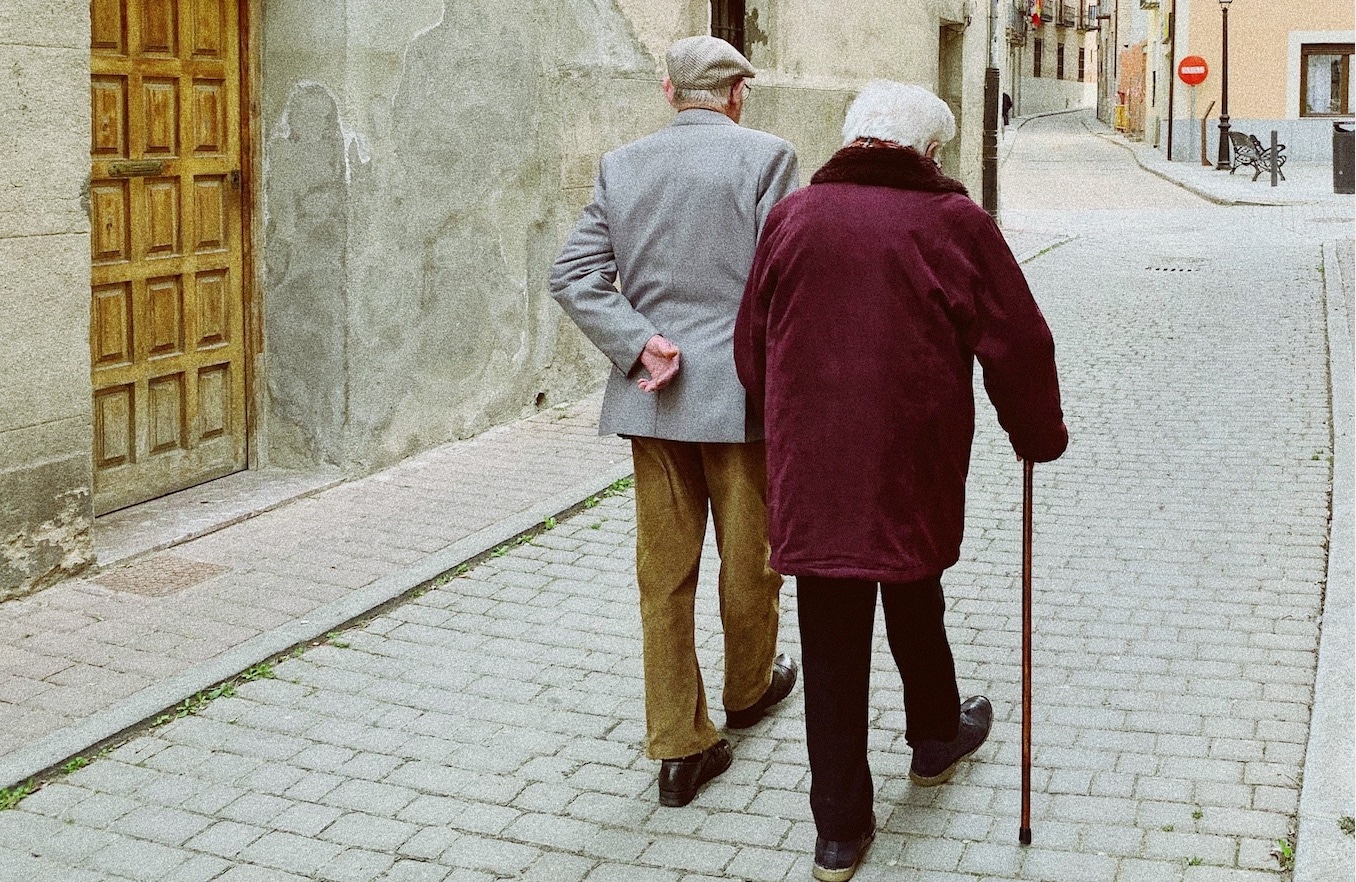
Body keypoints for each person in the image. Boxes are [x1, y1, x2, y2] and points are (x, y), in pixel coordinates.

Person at [734, 80, 1068, 881]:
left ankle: (840, 833)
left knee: (830, 630)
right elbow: (1019, 343)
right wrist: (1038, 435)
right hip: (911, 454)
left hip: (814, 465)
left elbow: (752, 347)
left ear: (853, 140)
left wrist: (788, 414)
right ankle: (933, 738)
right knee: (915, 586)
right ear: (928, 152)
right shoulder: (952, 221)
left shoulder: (793, 217)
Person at [550, 35, 801, 809]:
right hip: (742, 399)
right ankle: (748, 690)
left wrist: (639, 342)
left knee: (663, 575)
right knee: (749, 558)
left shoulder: (622, 164)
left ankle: (678, 745)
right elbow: (781, 278)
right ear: (736, 95)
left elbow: (572, 276)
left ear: (667, 92)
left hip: (655, 399)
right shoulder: (769, 157)